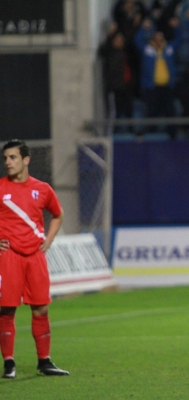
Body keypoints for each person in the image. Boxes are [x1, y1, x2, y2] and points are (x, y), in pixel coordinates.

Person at [0, 139, 69, 379]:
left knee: (41, 308)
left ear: (26, 160)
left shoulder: (42, 188)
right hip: (8, 256)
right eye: (6, 158)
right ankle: (9, 364)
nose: (8, 162)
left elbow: (58, 215)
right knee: (7, 310)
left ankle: (45, 361)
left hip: (35, 255)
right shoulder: (0, 187)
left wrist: (48, 241)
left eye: (13, 157)